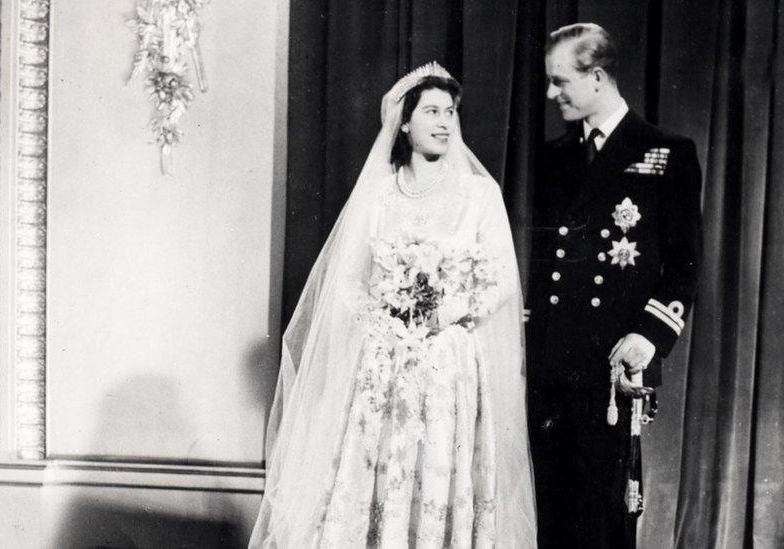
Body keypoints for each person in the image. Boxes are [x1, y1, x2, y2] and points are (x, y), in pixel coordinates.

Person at [250, 62, 537, 548]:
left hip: (449, 361)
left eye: (449, 111)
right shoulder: (381, 195)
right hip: (384, 363)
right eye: (431, 111)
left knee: (437, 474)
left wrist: (440, 314)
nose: (445, 121)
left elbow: (502, 279)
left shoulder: (478, 194)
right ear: (404, 122)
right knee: (379, 473)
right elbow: (347, 279)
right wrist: (383, 320)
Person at [525, 23, 703, 548]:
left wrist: (650, 337)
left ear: (597, 77)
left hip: (611, 365)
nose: (552, 94)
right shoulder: (555, 157)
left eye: (561, 82)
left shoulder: (665, 152)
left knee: (604, 519)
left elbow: (683, 262)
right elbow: (544, 269)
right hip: (552, 363)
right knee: (552, 514)